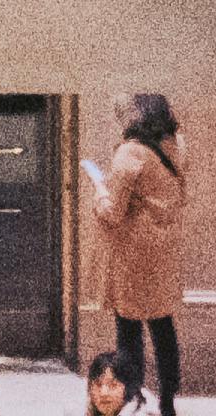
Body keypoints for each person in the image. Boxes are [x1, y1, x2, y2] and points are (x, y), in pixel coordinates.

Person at [84, 95, 187, 414]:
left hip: (133, 251)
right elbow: (180, 194)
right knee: (162, 324)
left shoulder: (130, 153)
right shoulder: (177, 144)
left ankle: (132, 397)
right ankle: (168, 399)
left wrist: (98, 186)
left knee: (128, 328)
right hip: (164, 247)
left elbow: (113, 213)